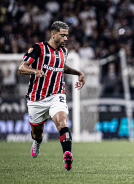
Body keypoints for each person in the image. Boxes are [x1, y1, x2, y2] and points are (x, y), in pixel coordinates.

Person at [18, 21, 85, 171]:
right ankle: (37, 142)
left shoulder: (64, 52)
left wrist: (78, 73)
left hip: (57, 94)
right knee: (37, 133)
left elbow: (62, 66)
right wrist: (35, 71)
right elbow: (22, 67)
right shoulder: (38, 48)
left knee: (62, 122)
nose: (66, 38)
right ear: (53, 34)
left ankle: (67, 154)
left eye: (67, 35)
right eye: (63, 35)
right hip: (36, 98)